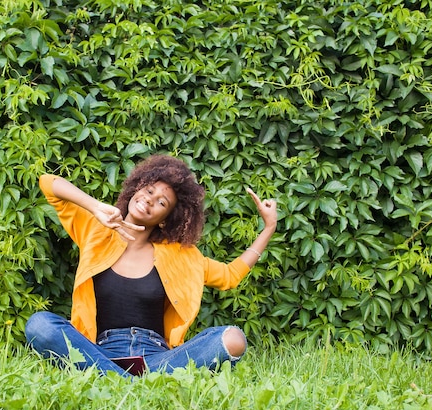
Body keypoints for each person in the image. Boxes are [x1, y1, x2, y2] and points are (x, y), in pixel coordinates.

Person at [25, 154, 277, 376]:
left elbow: (230, 275)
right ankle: (129, 382)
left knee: (232, 339)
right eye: (149, 191)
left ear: (166, 220)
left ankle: (111, 381)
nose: (149, 200)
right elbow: (48, 183)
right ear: (137, 188)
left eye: (161, 202)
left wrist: (269, 228)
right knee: (39, 325)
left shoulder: (182, 256)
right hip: (97, 352)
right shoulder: (96, 231)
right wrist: (95, 207)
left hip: (157, 360)